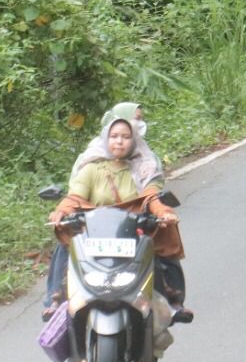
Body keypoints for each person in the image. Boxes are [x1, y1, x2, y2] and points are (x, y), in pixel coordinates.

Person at [46, 103, 191, 323]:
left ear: (133, 139)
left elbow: (151, 194)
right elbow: (74, 197)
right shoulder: (92, 166)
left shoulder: (145, 163)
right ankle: (55, 301)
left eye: (125, 136)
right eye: (114, 136)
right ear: (106, 138)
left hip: (133, 229)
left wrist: (162, 210)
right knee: (64, 243)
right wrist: (61, 212)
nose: (119, 141)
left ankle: (172, 301)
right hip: (93, 229)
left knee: (163, 236)